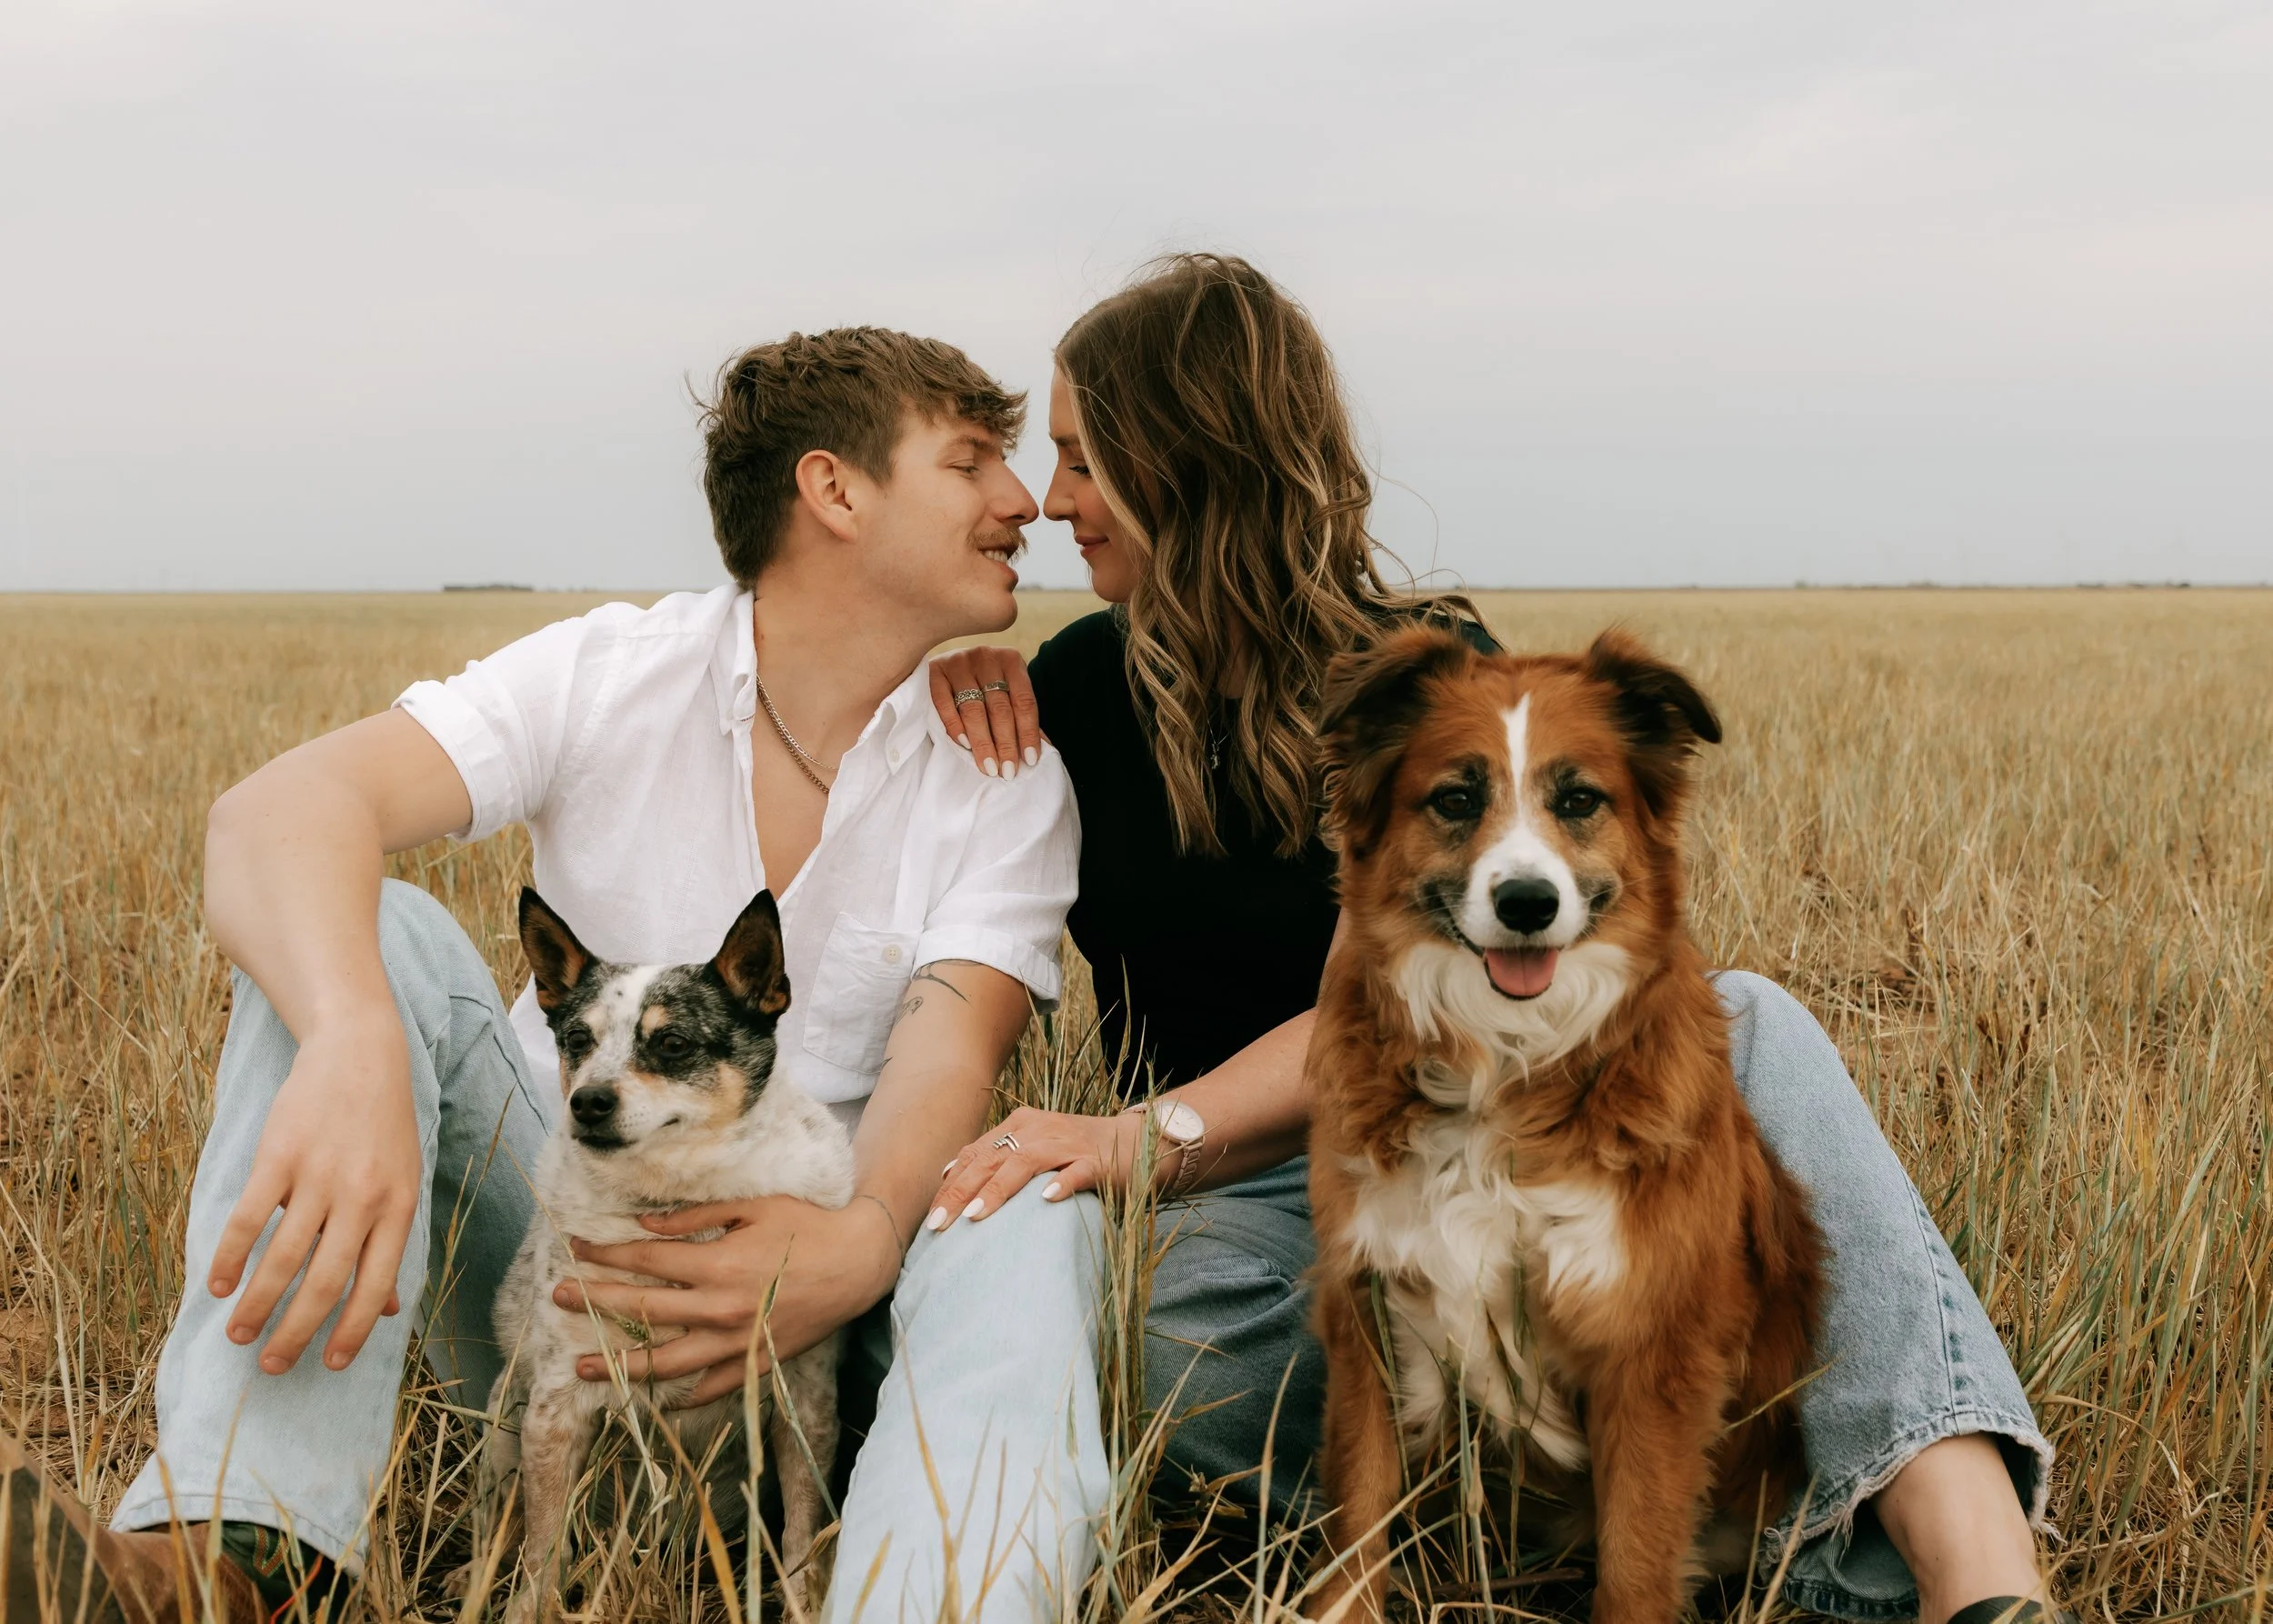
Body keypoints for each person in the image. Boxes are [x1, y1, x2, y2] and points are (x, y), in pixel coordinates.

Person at [892, 256, 2058, 1624]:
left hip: (1453, 1120)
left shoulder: (1427, 665)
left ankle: (1976, 1567)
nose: (1049, 499)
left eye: (1085, 459)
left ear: (1188, 461)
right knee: (1174, 1363)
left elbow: (1372, 1002)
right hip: (1250, 1214)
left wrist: (1145, 1136)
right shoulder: (1073, 688)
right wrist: (928, 665)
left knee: (1751, 1025)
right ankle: (1509, 1515)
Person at [0, 328, 1093, 1623]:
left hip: (809, 1319)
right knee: (383, 935)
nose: (1024, 501)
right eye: (973, 463)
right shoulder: (610, 673)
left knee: (1032, 1197)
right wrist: (356, 1041)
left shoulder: (1002, 770)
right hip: (553, 1274)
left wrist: (854, 1245)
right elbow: (274, 815)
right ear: (835, 491)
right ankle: (227, 1563)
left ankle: (928, 1600)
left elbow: (947, 1064)